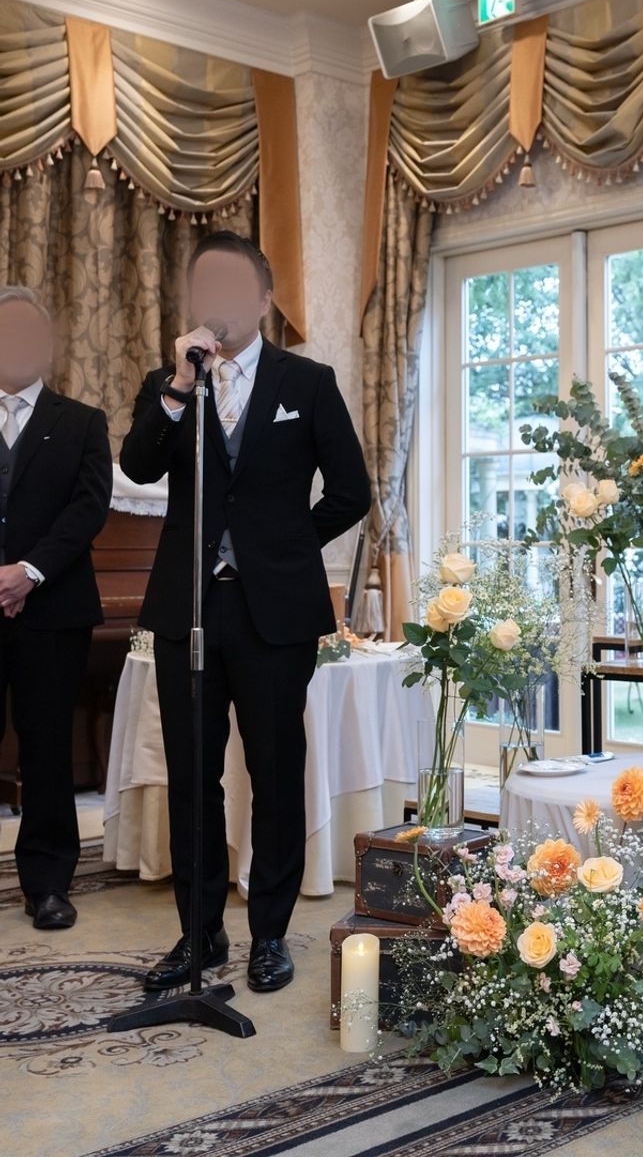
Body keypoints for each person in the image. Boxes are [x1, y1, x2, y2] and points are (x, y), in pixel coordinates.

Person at [120, 231, 369, 994]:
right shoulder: (172, 383)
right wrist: (176, 387)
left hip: (275, 614)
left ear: (262, 300)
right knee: (193, 779)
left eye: (233, 285)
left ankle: (269, 934)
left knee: (275, 773)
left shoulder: (308, 382)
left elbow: (351, 491)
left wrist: (283, 549)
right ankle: (199, 933)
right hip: (187, 608)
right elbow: (137, 466)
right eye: (206, 286)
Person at [0, 286, 111, 929]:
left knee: (46, 748)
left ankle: (47, 885)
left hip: (53, 608)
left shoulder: (82, 421)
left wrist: (28, 572)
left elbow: (88, 509)